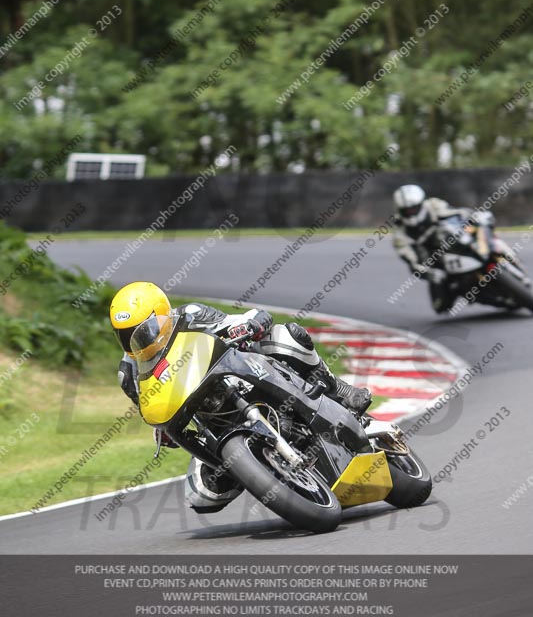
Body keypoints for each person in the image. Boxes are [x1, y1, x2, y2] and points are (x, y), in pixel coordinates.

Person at [110, 281, 372, 514]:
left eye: (143, 329)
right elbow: (147, 405)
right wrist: (163, 431)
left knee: (284, 336)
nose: (136, 340)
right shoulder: (129, 372)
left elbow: (248, 318)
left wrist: (249, 325)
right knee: (200, 495)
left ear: (162, 315)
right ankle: (265, 473)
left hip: (242, 378)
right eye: (126, 335)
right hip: (211, 422)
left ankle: (340, 390)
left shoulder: (191, 315)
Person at [392, 184, 474, 313]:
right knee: (440, 306)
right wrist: (427, 272)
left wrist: (469, 215)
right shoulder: (399, 229)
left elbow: (454, 212)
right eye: (407, 210)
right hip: (434, 260)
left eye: (413, 209)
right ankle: (461, 289)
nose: (411, 213)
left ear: (420, 204)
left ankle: (509, 258)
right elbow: (407, 255)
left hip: (453, 241)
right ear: (400, 210)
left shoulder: (433, 205)